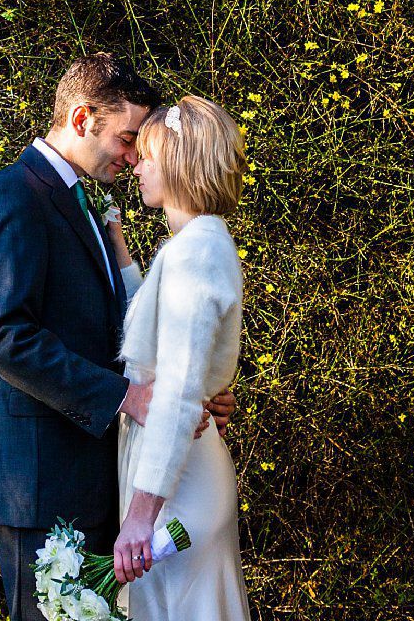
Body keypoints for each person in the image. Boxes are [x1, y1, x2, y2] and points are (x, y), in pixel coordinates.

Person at [0, 55, 237, 621]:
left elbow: (127, 325)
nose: (134, 154)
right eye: (126, 137)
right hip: (38, 480)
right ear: (83, 117)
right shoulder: (14, 194)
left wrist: (190, 387)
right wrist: (129, 396)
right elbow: (6, 335)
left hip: (94, 477)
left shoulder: (86, 202)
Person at [105, 95, 253, 620]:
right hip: (173, 472)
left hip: (179, 486)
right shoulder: (194, 245)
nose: (137, 167)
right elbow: (155, 321)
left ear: (179, 160)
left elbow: (177, 387)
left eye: (147, 155)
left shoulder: (198, 251)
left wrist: (141, 516)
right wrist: (118, 245)